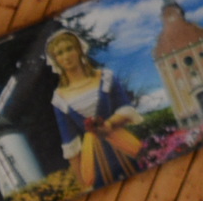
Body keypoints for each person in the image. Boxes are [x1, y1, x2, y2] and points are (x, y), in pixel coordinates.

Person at [44, 30, 148, 189]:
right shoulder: (59, 98)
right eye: (59, 53)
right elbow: (70, 142)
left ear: (79, 49)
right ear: (55, 60)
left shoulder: (105, 77)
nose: (66, 56)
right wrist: (84, 186)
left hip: (123, 144)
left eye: (69, 49)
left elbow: (126, 108)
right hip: (93, 159)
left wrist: (110, 124)